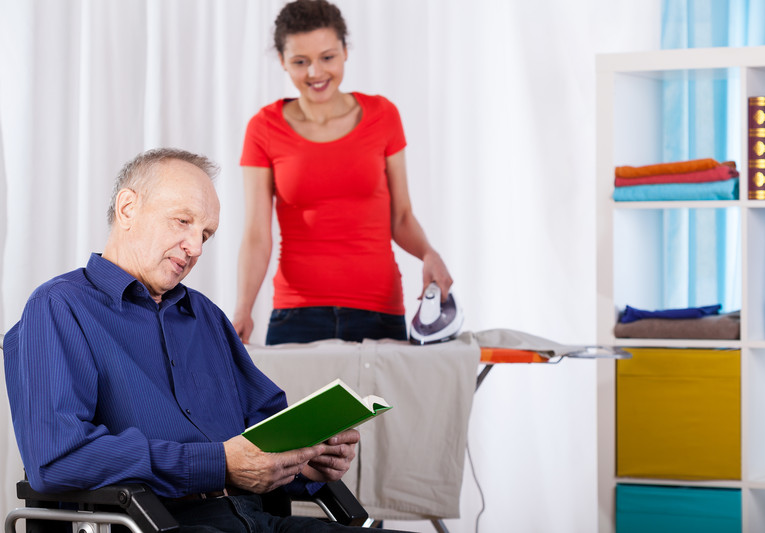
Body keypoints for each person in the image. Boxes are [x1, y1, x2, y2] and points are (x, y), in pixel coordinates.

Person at [3, 148, 409, 533]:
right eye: (183, 222)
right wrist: (218, 464)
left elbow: (264, 430)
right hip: (156, 522)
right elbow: (57, 458)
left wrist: (304, 464)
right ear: (127, 209)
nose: (195, 248)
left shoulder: (206, 317)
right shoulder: (59, 306)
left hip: (255, 519)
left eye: (207, 234)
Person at [234, 0, 453, 346]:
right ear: (282, 61)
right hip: (296, 316)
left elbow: (402, 216)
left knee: (380, 405)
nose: (315, 73)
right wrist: (243, 308)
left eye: (327, 57)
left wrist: (429, 253)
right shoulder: (263, 128)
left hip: (379, 313)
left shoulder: (384, 115)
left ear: (345, 51)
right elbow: (257, 235)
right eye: (300, 62)